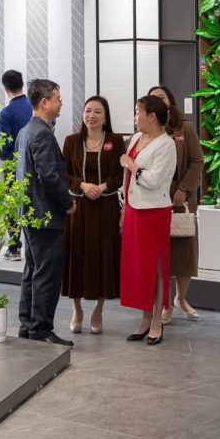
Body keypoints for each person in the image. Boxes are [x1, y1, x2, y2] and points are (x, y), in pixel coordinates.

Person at [16, 79, 77, 346]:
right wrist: (67, 202)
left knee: (33, 270)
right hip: (45, 216)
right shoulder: (41, 133)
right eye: (57, 98)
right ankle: (41, 328)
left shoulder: (26, 130)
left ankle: (27, 325)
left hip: (31, 214)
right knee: (47, 274)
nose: (61, 103)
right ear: (44, 102)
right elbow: (49, 176)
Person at [61, 96, 124, 335]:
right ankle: (77, 309)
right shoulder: (71, 141)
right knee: (76, 256)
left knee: (104, 257)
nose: (92, 115)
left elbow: (121, 174)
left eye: (98, 112)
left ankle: (99, 309)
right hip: (78, 208)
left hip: (106, 208)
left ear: (105, 117)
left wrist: (105, 186)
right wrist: (83, 185)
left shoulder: (116, 141)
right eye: (88, 111)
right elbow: (64, 173)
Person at [119, 95, 177, 345]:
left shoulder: (166, 144)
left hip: (154, 212)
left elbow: (153, 181)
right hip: (134, 209)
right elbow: (127, 178)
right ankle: (144, 319)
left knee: (156, 267)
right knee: (140, 267)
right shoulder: (136, 138)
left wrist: (131, 165)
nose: (135, 117)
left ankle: (156, 321)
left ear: (152, 117)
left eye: (138, 112)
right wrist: (124, 208)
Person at [148, 85, 204, 325]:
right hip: (154, 198)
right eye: (153, 98)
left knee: (184, 252)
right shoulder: (147, 130)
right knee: (160, 256)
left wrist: (183, 190)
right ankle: (164, 305)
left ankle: (181, 298)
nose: (157, 100)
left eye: (161, 97)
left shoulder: (185, 128)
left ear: (170, 101)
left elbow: (197, 161)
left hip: (181, 198)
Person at [0, 70, 31, 260]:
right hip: (35, 165)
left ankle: (14, 248)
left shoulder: (6, 113)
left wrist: (4, 154)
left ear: (6, 89)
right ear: (22, 84)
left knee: (13, 207)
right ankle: (33, 247)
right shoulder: (35, 106)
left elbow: (4, 145)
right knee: (33, 203)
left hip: (14, 166)